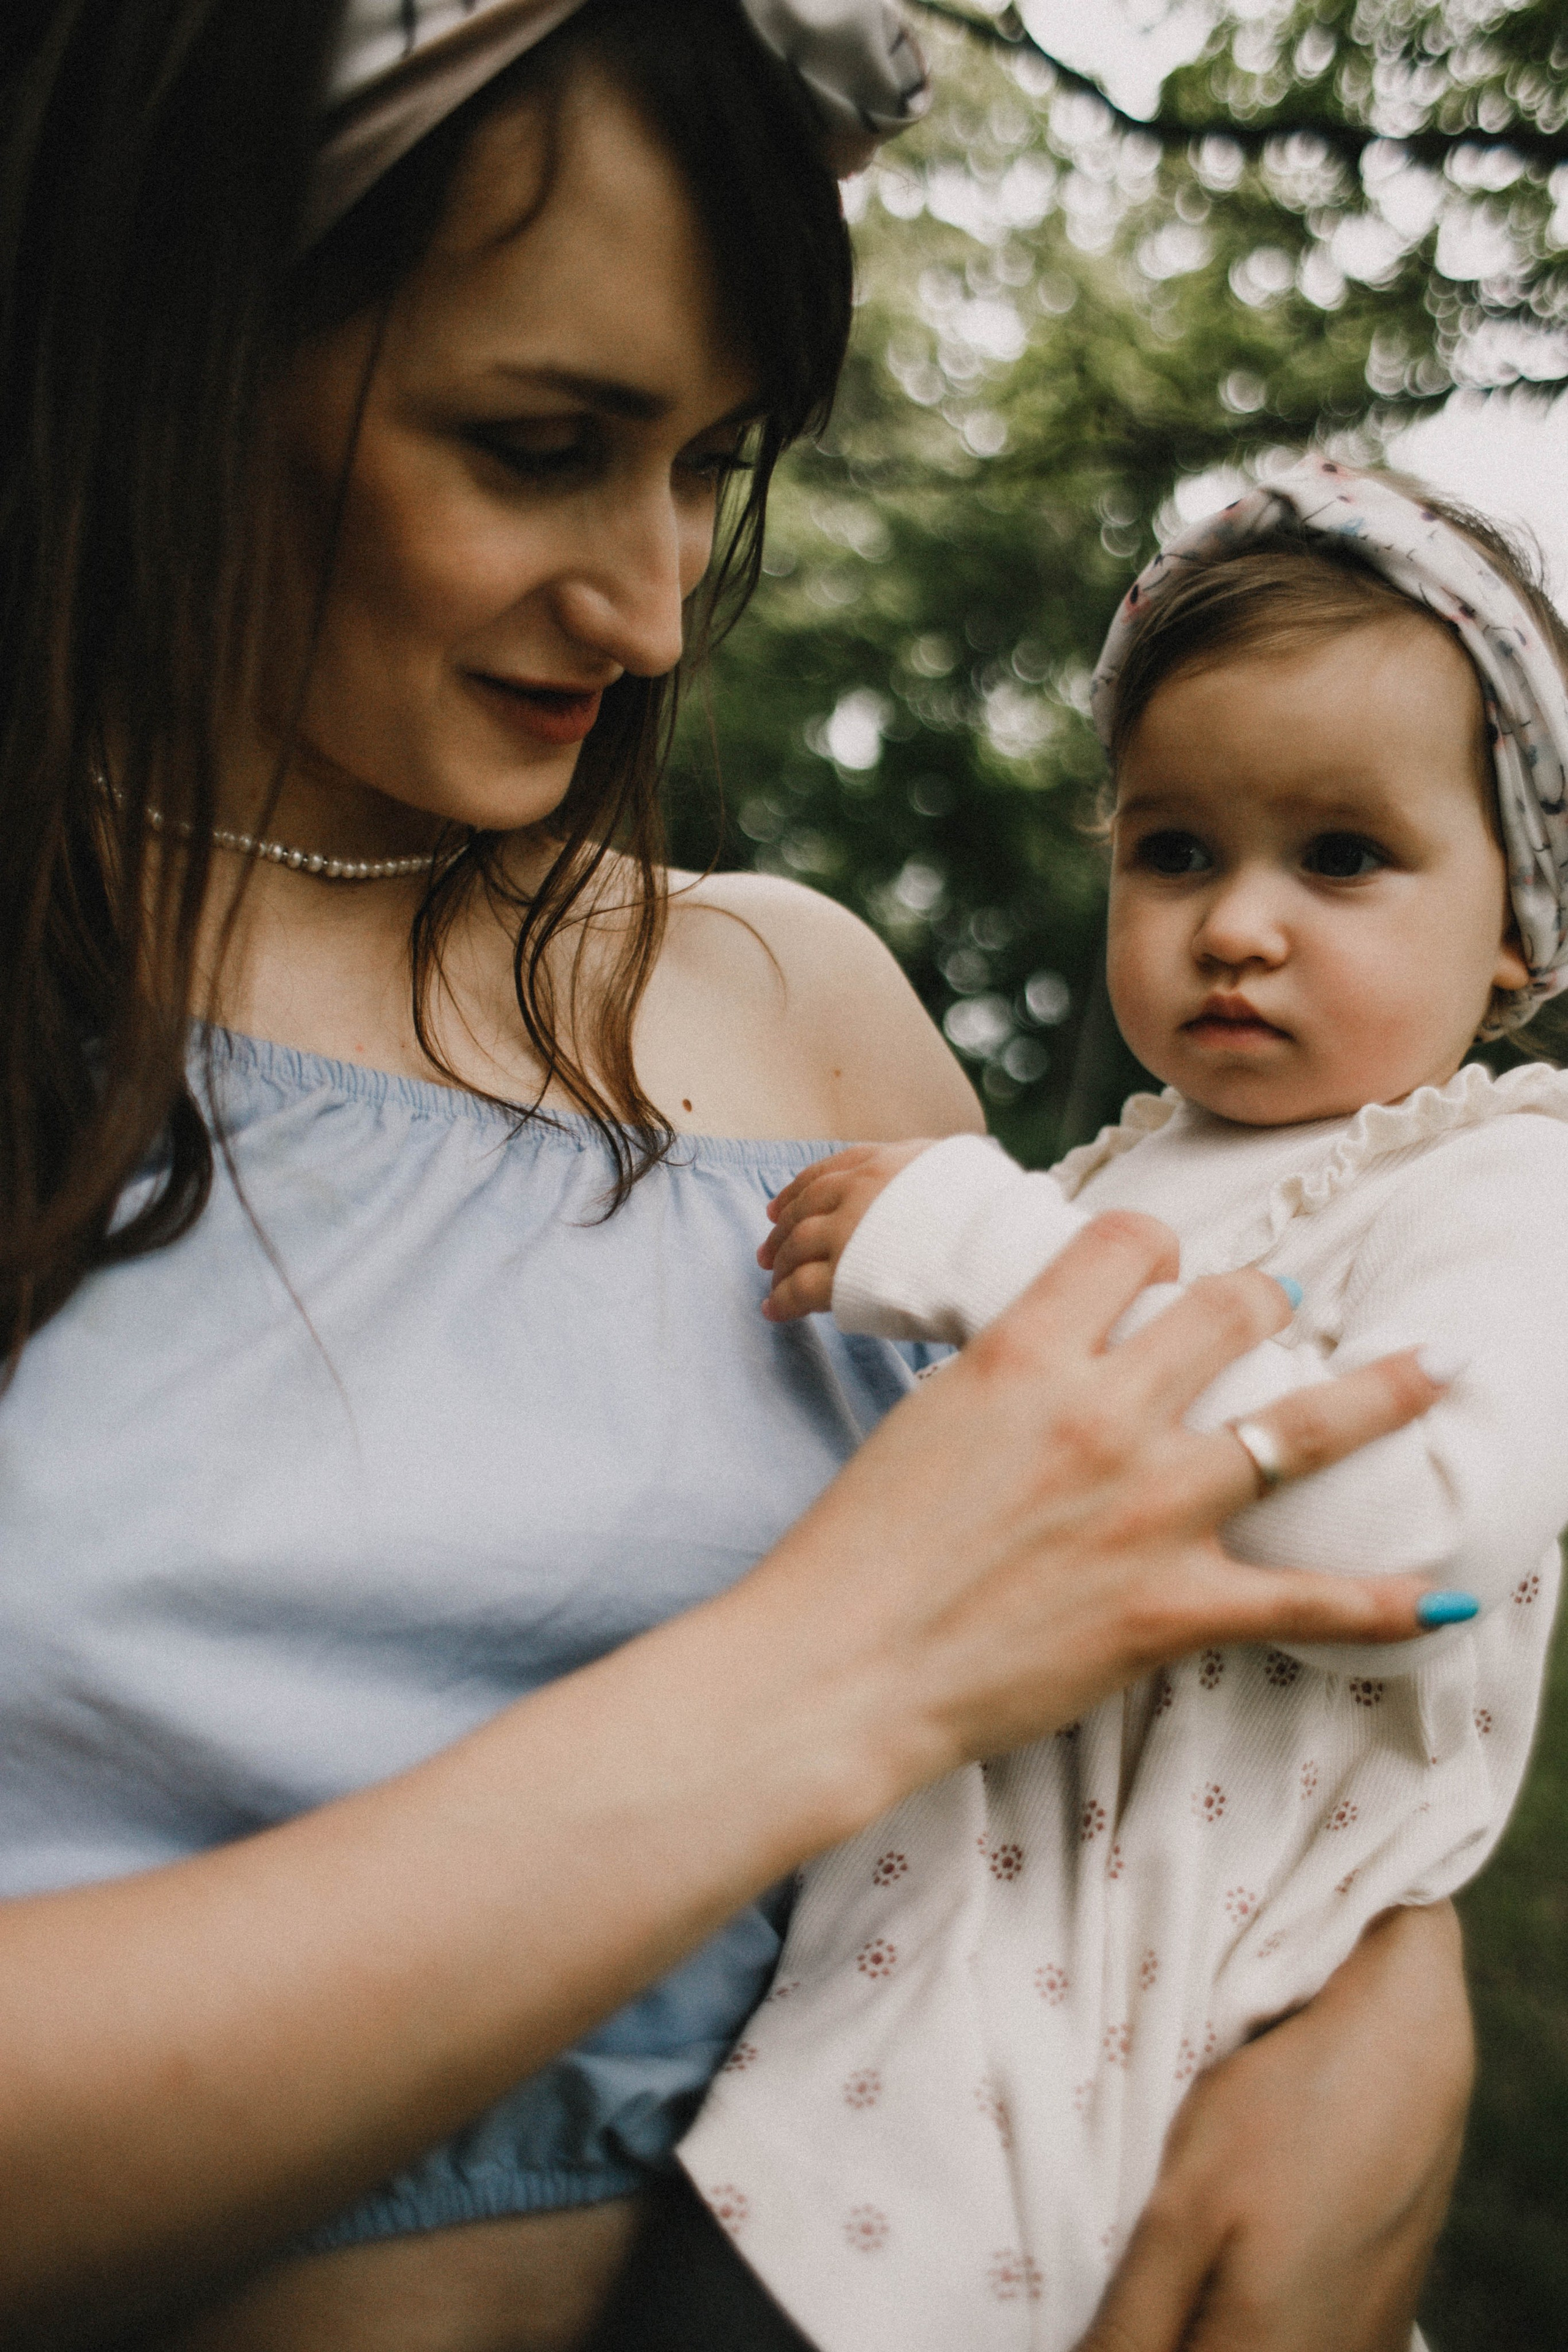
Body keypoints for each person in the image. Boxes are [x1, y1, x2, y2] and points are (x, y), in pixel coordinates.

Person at [0, 7, 1470, 2348]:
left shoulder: (795, 1004)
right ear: (167, 334)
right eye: (542, 446)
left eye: (708, 464)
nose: (659, 604)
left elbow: (1173, 1663)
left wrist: (1384, 1995)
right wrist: (831, 1673)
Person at [682, 461, 1568, 2350]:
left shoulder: (1504, 1182)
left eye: (1339, 857)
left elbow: (1418, 1539)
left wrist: (993, 1257)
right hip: (914, 1981)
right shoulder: (1111, 1181)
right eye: (1176, 852)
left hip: (1156, 2037)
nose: (1237, 923)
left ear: (1515, 927)